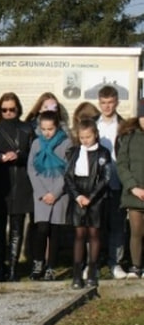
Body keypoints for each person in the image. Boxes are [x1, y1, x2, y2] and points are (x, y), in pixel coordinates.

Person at [0, 92, 32, 282]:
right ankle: (0, 268)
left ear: (18, 109)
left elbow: (34, 155)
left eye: (12, 109)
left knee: (17, 227)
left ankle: (13, 268)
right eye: (4, 109)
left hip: (21, 181)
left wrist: (19, 156)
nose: (8, 112)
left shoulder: (28, 129)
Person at [63, 116, 112, 289]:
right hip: (78, 196)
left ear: (95, 135)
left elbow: (105, 178)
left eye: (88, 137)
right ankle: (77, 273)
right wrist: (77, 196)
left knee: (94, 234)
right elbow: (68, 176)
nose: (85, 141)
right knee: (79, 235)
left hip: (95, 198)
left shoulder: (103, 153)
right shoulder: (74, 152)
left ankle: (92, 271)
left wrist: (91, 197)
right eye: (82, 137)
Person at [26, 111, 71, 280]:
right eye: (43, 129)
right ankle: (38, 263)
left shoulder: (66, 143)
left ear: (57, 127)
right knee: (41, 228)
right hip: (42, 194)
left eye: (50, 129)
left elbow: (67, 169)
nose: (46, 132)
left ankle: (51, 266)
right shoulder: (37, 144)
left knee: (55, 231)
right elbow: (31, 169)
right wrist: (43, 193)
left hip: (59, 194)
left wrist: (56, 192)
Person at [95, 84, 127, 278]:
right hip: (96, 185)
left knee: (117, 225)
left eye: (110, 103)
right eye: (103, 103)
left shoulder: (124, 126)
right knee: (96, 226)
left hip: (117, 181)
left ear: (116, 102)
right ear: (99, 103)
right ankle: (93, 263)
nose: (107, 107)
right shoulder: (92, 124)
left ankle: (116, 263)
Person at [114, 100, 144, 279]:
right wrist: (133, 187)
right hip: (135, 194)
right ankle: (136, 266)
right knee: (136, 231)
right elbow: (122, 164)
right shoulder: (129, 137)